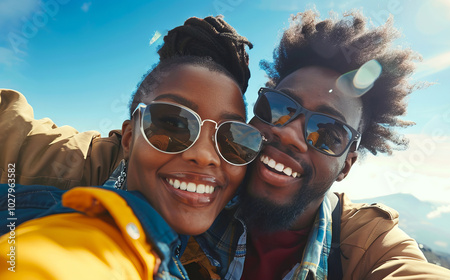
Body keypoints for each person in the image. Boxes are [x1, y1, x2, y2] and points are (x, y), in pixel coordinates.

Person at [193, 10, 450, 279]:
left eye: (327, 133)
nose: (289, 134)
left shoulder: (368, 244)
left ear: (346, 166)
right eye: (277, 107)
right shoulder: (198, 177)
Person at [0, 15, 263, 279]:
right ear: (129, 137)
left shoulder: (249, 205)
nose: (205, 155)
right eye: (172, 122)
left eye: (231, 136)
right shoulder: (67, 170)